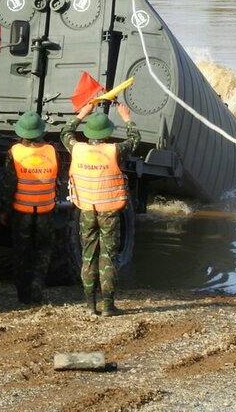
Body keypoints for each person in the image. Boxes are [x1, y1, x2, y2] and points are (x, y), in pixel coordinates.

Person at [61, 101, 140, 317]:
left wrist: (83, 112)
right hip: (110, 212)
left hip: (87, 209)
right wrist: (126, 116)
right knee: (108, 257)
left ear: (89, 132)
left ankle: (89, 304)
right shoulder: (114, 151)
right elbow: (135, 140)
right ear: (107, 133)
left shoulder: (77, 149)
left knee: (88, 256)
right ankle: (108, 306)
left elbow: (65, 132)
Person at [0, 111, 58, 304]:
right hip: (45, 212)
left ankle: (23, 296)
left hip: (21, 212)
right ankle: (37, 290)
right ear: (41, 132)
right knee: (43, 252)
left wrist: (4, 212)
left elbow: (9, 186)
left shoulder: (15, 152)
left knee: (21, 253)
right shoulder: (51, 151)